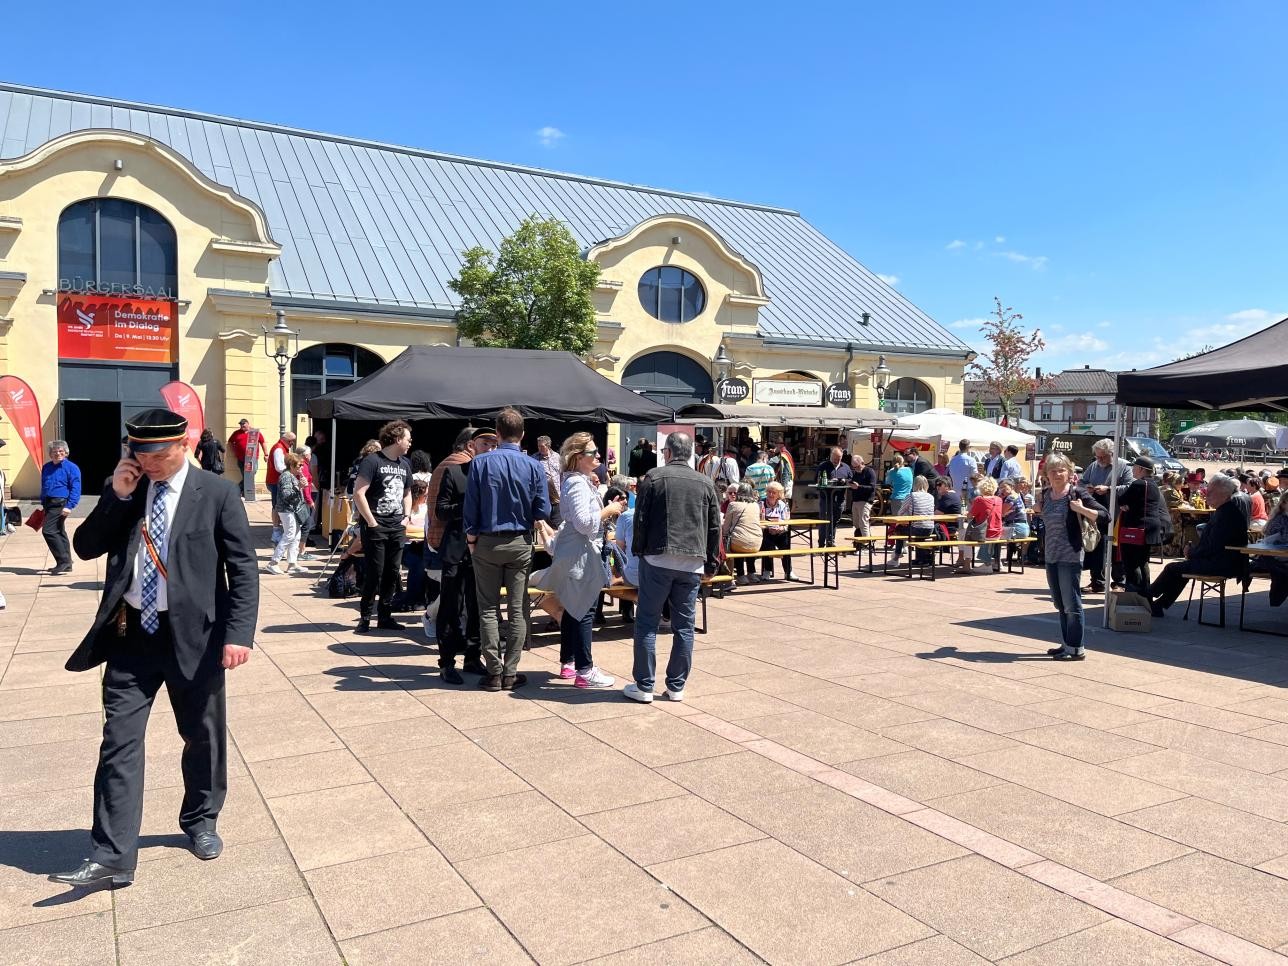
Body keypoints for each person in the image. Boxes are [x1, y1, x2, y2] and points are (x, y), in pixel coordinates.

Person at [50, 408, 257, 888]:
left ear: (184, 444)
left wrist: (238, 633)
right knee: (118, 742)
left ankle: (201, 819)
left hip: (196, 638)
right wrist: (117, 498)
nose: (151, 463)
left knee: (201, 736)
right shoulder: (127, 486)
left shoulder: (218, 493)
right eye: (141, 453)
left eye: (160, 454)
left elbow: (242, 569)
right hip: (130, 636)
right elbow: (85, 547)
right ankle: (112, 856)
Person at [623, 432, 720, 704]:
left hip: (657, 558)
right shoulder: (705, 483)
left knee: (647, 622)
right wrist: (712, 562)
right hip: (692, 562)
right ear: (689, 453)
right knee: (684, 626)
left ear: (667, 452)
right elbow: (714, 527)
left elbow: (640, 519)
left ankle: (644, 685)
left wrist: (638, 551)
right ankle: (676, 686)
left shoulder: (654, 477)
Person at [465, 408, 550, 692]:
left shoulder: (480, 463)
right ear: (522, 434)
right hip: (519, 541)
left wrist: (472, 540)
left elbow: (471, 508)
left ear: (497, 433)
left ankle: (494, 672)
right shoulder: (534, 465)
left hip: (487, 540)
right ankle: (511, 671)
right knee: (517, 608)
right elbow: (543, 508)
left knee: (487, 607)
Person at [537, 433, 620, 689]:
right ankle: (585, 670)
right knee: (584, 610)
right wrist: (609, 510)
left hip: (577, 553)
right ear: (577, 457)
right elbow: (584, 523)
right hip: (581, 555)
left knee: (574, 609)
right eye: (593, 452)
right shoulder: (576, 483)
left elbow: (577, 520)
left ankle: (570, 663)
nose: (598, 456)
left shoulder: (578, 481)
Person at [1037, 453, 1107, 661]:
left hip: (1071, 556)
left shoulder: (1077, 494)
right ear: (1046, 474)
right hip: (1051, 556)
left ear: (1069, 472)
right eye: (1053, 470)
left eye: (1061, 470)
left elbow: (1105, 516)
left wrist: (1081, 509)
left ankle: (1077, 648)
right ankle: (1067, 643)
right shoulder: (1045, 495)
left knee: (1071, 603)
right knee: (1059, 603)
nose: (1057, 474)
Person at [1150, 474, 1248, 617]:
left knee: (1172, 568)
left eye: (1210, 492)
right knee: (1180, 570)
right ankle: (1159, 604)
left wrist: (1192, 553)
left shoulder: (1227, 514)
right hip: (1224, 560)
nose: (1206, 495)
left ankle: (1147, 596)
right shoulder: (1226, 510)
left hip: (1222, 563)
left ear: (1223, 494)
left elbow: (1213, 546)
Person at [431, 428, 486, 682]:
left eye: (494, 444)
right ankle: (447, 663)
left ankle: (473, 657)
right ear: (472, 446)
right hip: (455, 548)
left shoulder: (492, 475)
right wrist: (469, 505)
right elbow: (441, 511)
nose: (490, 448)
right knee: (452, 606)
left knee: (477, 607)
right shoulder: (454, 473)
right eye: (485, 443)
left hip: (482, 551)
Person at [352, 420, 413, 633]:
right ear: (397, 439)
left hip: (397, 526)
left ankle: (385, 616)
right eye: (407, 438)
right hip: (376, 525)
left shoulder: (404, 464)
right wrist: (371, 521)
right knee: (374, 572)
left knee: (393, 572)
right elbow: (359, 493)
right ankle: (365, 617)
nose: (410, 442)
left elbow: (407, 493)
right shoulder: (372, 461)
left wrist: (406, 517)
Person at [1081, 438, 1131, 593]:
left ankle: (1119, 583)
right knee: (1096, 548)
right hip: (1097, 514)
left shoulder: (1124, 466)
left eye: (1102, 457)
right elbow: (1081, 482)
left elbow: (1130, 487)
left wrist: (1108, 488)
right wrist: (1087, 488)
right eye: (1097, 456)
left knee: (1116, 549)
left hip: (1117, 514)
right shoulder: (1093, 466)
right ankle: (1097, 582)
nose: (1099, 460)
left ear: (1112, 454)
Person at [1117, 456, 1170, 599]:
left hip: (1136, 529)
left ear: (1141, 469)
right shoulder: (1153, 484)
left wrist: (1124, 504)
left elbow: (1121, 499)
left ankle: (1135, 594)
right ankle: (1146, 595)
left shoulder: (1139, 484)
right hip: (1150, 529)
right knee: (1142, 561)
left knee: (1131, 562)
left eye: (1134, 467)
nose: (1132, 469)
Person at [40, 439, 81, 575]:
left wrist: (70, 506)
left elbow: (76, 487)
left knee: (48, 531)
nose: (58, 453)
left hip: (61, 503)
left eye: (61, 451)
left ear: (66, 453)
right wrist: (43, 503)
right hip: (48, 503)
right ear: (50, 454)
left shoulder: (72, 468)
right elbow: (44, 485)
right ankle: (67, 563)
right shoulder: (46, 467)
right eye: (54, 451)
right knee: (59, 531)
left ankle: (62, 561)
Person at [266, 452, 307, 575]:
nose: (301, 467)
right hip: (286, 510)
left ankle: (292, 563)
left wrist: (300, 486)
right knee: (289, 534)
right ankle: (273, 562)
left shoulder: (292, 476)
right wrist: (298, 487)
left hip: (292, 510)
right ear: (292, 465)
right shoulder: (286, 476)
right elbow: (286, 494)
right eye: (299, 465)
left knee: (296, 534)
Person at [958, 476, 1003, 573]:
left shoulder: (979, 500)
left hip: (985, 533)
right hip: (997, 532)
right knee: (965, 533)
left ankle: (966, 564)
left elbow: (970, 515)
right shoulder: (999, 500)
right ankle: (992, 563)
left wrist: (966, 513)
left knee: (963, 533)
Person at [723, 482, 765, 585]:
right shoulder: (756, 505)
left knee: (731, 542)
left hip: (739, 543)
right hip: (757, 543)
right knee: (745, 539)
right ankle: (751, 573)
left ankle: (738, 575)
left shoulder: (733, 505)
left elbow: (726, 528)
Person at [890, 475, 936, 565]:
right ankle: (920, 558)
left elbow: (900, 513)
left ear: (914, 485)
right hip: (930, 528)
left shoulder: (911, 496)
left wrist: (905, 519)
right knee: (918, 530)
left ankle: (896, 557)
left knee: (899, 529)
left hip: (916, 529)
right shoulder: (931, 497)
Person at [264, 431, 296, 543]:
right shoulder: (279, 449)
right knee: (277, 506)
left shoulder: (282, 448)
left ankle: (278, 531)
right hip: (275, 481)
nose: (292, 443)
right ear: (287, 440)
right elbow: (279, 467)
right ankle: (276, 532)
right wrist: (291, 471)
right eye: (292, 441)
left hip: (277, 481)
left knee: (278, 505)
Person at [815, 446, 851, 546]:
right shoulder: (823, 466)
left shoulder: (846, 467)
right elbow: (816, 481)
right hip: (826, 498)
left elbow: (851, 480)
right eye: (834, 458)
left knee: (835, 520)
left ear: (841, 457)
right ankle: (821, 544)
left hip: (839, 499)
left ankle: (830, 541)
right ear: (831, 456)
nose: (836, 460)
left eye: (838, 459)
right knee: (824, 520)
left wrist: (845, 481)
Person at [759, 481, 793, 581]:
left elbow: (786, 521)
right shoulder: (761, 503)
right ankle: (767, 570)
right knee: (767, 544)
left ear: (779, 494)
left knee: (786, 544)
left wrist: (781, 528)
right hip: (766, 531)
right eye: (769, 492)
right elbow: (758, 520)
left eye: (774, 493)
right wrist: (768, 527)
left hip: (779, 531)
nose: (771, 494)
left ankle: (788, 572)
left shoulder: (782, 505)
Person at [849, 454, 878, 536]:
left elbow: (872, 487)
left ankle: (866, 544)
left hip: (865, 501)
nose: (855, 469)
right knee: (856, 523)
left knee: (863, 523)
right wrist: (851, 486)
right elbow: (853, 487)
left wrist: (858, 487)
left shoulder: (869, 471)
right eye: (854, 467)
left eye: (857, 467)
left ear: (862, 463)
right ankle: (859, 542)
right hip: (855, 500)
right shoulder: (855, 473)